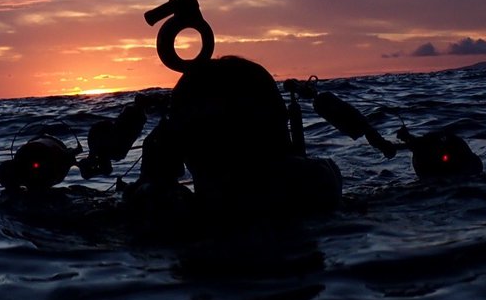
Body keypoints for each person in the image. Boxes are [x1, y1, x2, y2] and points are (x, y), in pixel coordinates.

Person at [124, 55, 343, 224]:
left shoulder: (165, 212)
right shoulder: (317, 185)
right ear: (279, 126)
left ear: (180, 143)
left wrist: (152, 178)